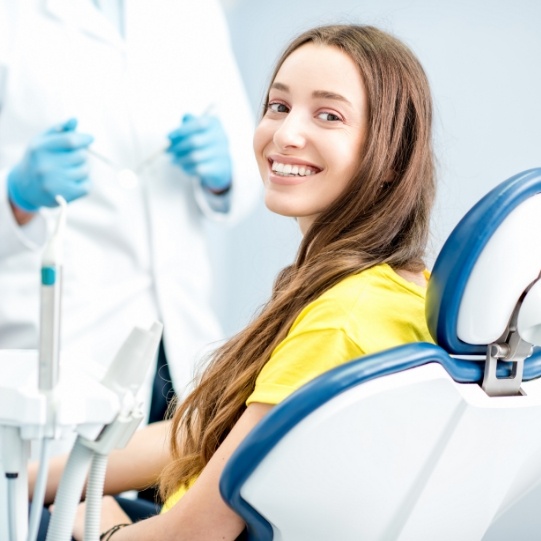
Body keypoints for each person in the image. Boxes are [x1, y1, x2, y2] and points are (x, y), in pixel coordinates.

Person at [38, 23, 436, 540]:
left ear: (391, 155)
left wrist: (101, 525)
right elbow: (209, 435)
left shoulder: (342, 320)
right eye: (278, 106)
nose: (286, 133)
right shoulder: (394, 287)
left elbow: (194, 534)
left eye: (328, 115)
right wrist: (37, 477)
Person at [0, 0, 259, 427]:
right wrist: (15, 195)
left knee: (176, 480)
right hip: (60, 342)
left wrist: (225, 171)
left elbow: (249, 171)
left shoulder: (196, 12)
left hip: (181, 337)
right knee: (62, 489)